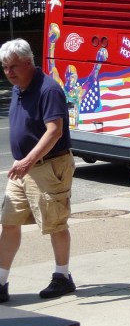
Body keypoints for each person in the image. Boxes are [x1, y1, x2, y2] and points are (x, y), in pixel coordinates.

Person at [0, 39, 76, 302]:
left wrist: (28, 161)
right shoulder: (19, 88)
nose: (9, 72)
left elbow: (54, 131)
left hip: (47, 165)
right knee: (9, 223)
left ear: (29, 63)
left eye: (14, 66)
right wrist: (22, 162)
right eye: (5, 67)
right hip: (22, 168)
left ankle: (62, 277)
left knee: (55, 223)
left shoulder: (48, 90)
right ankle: (0, 282)